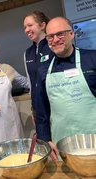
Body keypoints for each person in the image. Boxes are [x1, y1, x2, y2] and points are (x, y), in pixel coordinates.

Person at [36, 16, 96, 160]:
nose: (55, 40)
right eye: (50, 36)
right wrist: (45, 139)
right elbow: (41, 109)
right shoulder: (43, 68)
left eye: (60, 34)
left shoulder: (92, 58)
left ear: (71, 34)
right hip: (62, 144)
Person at [23, 11, 54, 125]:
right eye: (25, 27)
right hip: (38, 108)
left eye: (30, 25)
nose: (26, 30)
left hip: (55, 106)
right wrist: (33, 109)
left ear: (42, 25)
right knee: (44, 141)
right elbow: (31, 84)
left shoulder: (53, 46)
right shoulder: (27, 53)